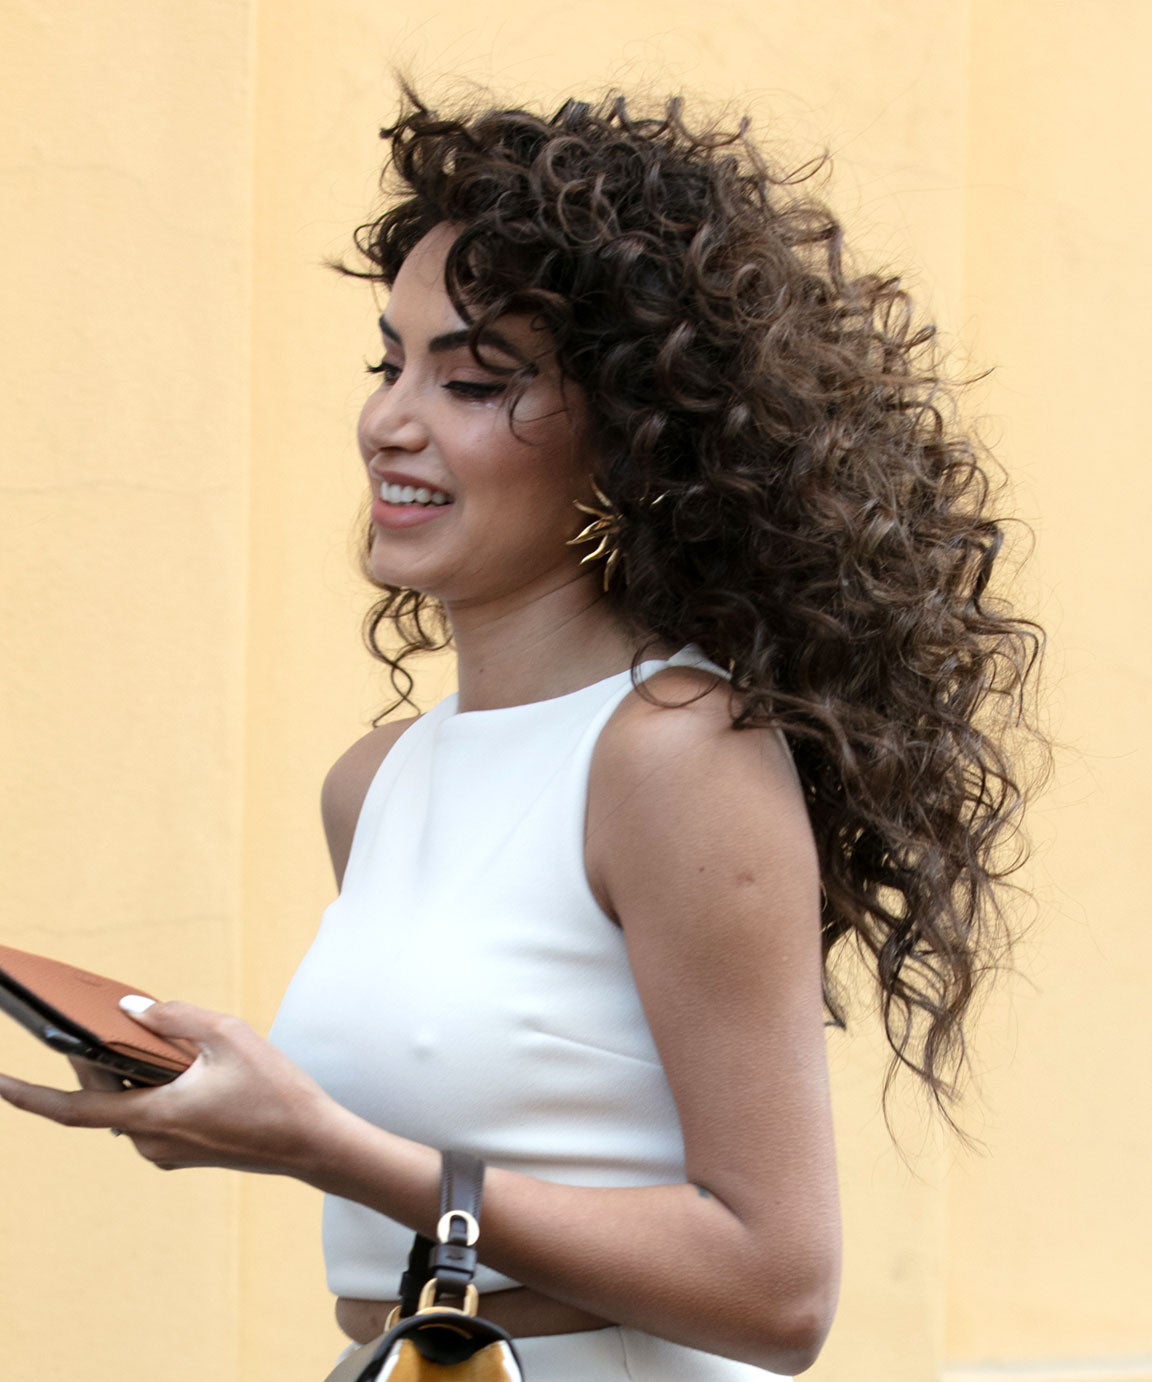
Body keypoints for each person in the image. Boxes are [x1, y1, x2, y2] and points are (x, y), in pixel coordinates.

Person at [0, 90, 1042, 1379]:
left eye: (474, 380)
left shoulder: (675, 750)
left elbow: (781, 1291)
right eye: (390, 361)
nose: (392, 418)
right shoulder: (374, 786)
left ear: (631, 439)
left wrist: (317, 1142)